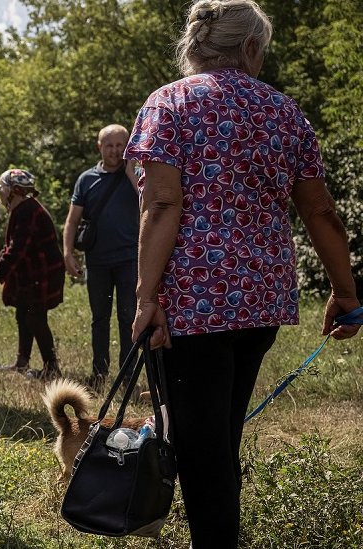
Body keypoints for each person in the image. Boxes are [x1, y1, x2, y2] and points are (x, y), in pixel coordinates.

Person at [125, 1, 360, 547]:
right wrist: (345, 292)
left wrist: (145, 298)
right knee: (218, 438)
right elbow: (320, 211)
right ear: (250, 47)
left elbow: (162, 204)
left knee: (201, 450)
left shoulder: (170, 102)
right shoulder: (284, 111)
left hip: (191, 305)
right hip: (261, 302)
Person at [62, 125, 140, 390]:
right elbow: (72, 221)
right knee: (99, 318)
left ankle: (128, 377)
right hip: (97, 261)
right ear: (100, 147)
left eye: (120, 145)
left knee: (129, 317)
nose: (115, 151)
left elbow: (149, 202)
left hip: (130, 259)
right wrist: (67, 252)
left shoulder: (136, 175)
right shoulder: (86, 179)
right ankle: (98, 374)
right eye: (110, 145)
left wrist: (131, 172)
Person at [0, 169, 65, 380]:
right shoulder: (23, 209)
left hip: (42, 276)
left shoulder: (27, 211)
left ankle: (52, 368)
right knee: (23, 315)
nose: (1, 192)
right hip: (32, 276)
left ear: (14, 191)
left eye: (3, 188)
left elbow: (17, 250)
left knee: (35, 318)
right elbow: (10, 247)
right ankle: (22, 363)